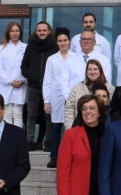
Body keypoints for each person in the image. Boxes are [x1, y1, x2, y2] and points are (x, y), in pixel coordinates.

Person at [43, 28, 86, 168]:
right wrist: (46, 101)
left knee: (72, 126)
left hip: (72, 95)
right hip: (55, 95)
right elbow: (47, 81)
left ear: (69, 41)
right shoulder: (51, 59)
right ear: (57, 42)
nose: (63, 43)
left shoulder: (77, 58)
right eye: (60, 41)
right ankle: (54, 157)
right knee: (55, 126)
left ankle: (70, 156)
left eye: (65, 40)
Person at [21, 21, 58, 151]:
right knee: (31, 114)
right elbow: (24, 65)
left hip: (49, 87)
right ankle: (29, 141)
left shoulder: (54, 46)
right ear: (36, 32)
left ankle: (47, 141)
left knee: (48, 115)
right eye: (39, 30)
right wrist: (30, 75)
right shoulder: (30, 46)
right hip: (33, 86)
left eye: (44, 30)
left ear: (49, 31)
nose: (42, 33)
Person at [64, 59, 115, 128]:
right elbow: (69, 110)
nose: (92, 72)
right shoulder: (77, 88)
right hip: (79, 128)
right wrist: (71, 129)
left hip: (102, 129)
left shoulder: (110, 88)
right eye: (89, 69)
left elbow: (113, 110)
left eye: (95, 69)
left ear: (100, 71)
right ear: (86, 72)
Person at [0, 21, 27, 126]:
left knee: (18, 114)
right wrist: (9, 81)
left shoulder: (25, 48)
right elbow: (0, 67)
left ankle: (17, 140)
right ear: (8, 33)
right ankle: (8, 139)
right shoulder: (2, 48)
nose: (14, 33)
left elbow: (27, 66)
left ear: (20, 33)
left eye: (17, 31)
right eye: (12, 31)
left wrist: (23, 80)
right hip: (6, 86)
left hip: (20, 85)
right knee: (7, 113)